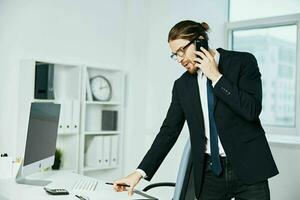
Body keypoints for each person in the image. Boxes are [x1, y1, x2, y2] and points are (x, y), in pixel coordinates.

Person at [113, 20, 279, 200]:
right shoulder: (182, 86)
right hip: (210, 173)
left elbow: (251, 110)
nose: (179, 59)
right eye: (174, 55)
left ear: (200, 41)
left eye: (182, 50)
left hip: (249, 168)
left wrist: (215, 76)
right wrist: (138, 173)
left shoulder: (242, 62)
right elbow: (168, 132)